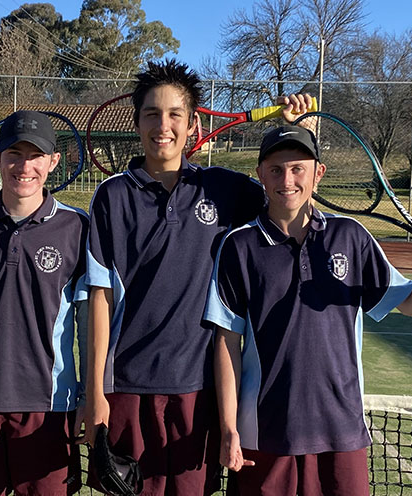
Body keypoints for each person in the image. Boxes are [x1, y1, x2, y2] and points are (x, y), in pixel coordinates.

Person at [76, 58, 315, 494]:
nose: (162, 125)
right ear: (137, 122)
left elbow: (291, 200)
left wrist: (295, 131)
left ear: (193, 125)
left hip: (200, 388)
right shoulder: (111, 196)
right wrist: (94, 392)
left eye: (174, 114)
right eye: (151, 114)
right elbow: (100, 298)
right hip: (126, 386)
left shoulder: (226, 189)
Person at [204, 125, 412, 496]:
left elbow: (410, 302)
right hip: (264, 432)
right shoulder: (239, 245)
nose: (287, 180)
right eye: (276, 170)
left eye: (298, 169)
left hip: (341, 428)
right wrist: (229, 428)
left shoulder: (350, 235)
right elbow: (226, 342)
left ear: (318, 173)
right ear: (260, 174)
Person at [0, 110, 88, 495]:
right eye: (14, 154)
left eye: (36, 155)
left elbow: (89, 320)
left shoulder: (77, 227)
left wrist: (89, 395)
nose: (25, 167)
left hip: (50, 405)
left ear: (53, 161)